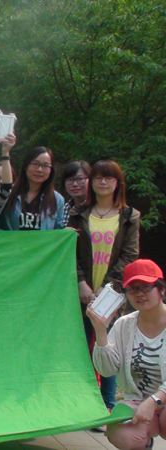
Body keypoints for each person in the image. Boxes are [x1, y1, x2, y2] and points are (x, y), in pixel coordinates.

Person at [69, 160, 140, 417]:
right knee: (78, 347)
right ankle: (78, 404)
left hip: (111, 295)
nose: (103, 182)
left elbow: (130, 255)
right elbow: (70, 249)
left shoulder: (129, 216)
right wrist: (80, 281)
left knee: (106, 348)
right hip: (79, 291)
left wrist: (106, 288)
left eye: (109, 177)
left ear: (117, 183)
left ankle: (106, 405)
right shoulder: (78, 213)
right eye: (98, 177)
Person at [90, 259, 166, 450]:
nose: (139, 293)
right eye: (132, 289)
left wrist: (155, 400)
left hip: (160, 400)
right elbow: (107, 370)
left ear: (161, 289)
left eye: (146, 287)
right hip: (137, 399)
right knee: (119, 434)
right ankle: (145, 443)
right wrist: (100, 330)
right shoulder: (124, 324)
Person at [0, 146, 65, 231]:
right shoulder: (9, 193)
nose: (39, 170)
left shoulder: (57, 200)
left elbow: (58, 231)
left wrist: (68, 232)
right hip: (13, 240)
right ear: (26, 166)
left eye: (46, 166)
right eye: (35, 164)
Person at [61, 160, 91, 227]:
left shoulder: (98, 207)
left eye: (80, 179)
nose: (75, 184)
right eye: (70, 180)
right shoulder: (63, 209)